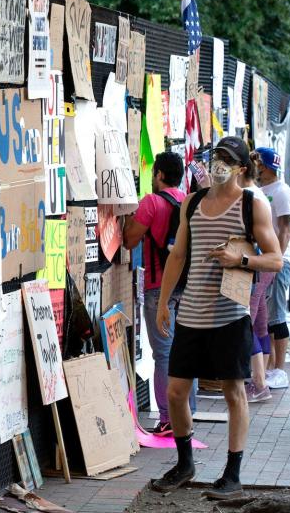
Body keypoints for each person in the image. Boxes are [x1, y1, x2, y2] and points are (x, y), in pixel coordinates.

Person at [151, 137, 282, 499]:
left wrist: (241, 261)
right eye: (215, 157)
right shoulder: (191, 203)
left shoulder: (252, 205)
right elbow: (177, 255)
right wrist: (164, 301)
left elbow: (276, 259)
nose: (218, 164)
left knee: (234, 392)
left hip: (231, 315)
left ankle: (233, 474)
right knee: (176, 392)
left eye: (227, 159)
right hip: (191, 312)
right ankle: (184, 463)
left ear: (241, 167)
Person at [122, 152, 195, 434]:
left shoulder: (152, 202)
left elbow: (130, 240)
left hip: (158, 288)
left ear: (160, 175)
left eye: (153, 173)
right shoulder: (188, 201)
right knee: (186, 353)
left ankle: (168, 418)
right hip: (187, 288)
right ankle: (189, 413)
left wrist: (129, 216)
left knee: (163, 355)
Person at [255, 147, 290, 390]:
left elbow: (286, 229)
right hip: (264, 262)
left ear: (267, 166)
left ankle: (280, 369)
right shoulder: (262, 190)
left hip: (278, 263)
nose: (257, 168)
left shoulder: (282, 192)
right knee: (266, 317)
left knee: (277, 316)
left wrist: (277, 260)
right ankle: (270, 366)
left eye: (259, 163)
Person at [239, 154, 273, 402]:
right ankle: (261, 380)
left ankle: (259, 383)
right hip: (260, 265)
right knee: (258, 320)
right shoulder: (254, 194)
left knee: (246, 321)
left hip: (255, 265)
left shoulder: (249, 197)